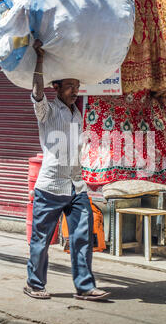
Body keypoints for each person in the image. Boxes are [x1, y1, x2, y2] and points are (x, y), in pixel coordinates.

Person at [24, 39, 110, 300]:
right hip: (50, 187)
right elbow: (37, 93)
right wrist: (39, 59)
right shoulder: (47, 111)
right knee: (41, 240)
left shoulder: (76, 114)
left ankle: (84, 287)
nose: (75, 90)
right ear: (57, 87)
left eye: (77, 86)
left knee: (82, 236)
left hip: (76, 187)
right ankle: (34, 284)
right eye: (70, 86)